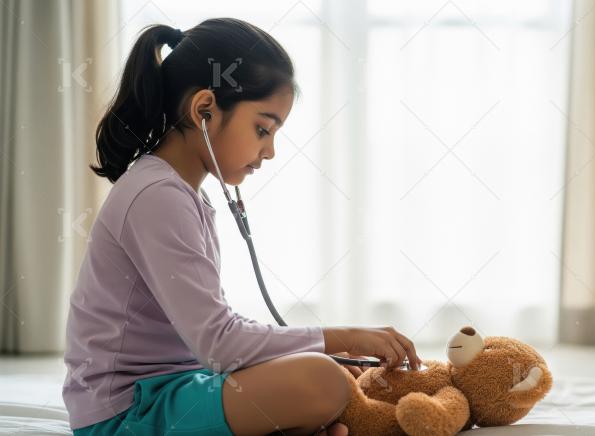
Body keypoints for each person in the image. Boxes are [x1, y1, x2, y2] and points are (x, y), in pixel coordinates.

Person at [62, 17, 422, 436]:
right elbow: (220, 344)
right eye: (263, 128)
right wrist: (347, 336)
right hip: (126, 414)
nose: (269, 151)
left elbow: (216, 339)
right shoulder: (156, 195)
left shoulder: (184, 193)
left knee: (325, 379)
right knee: (323, 380)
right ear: (204, 111)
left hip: (176, 389)